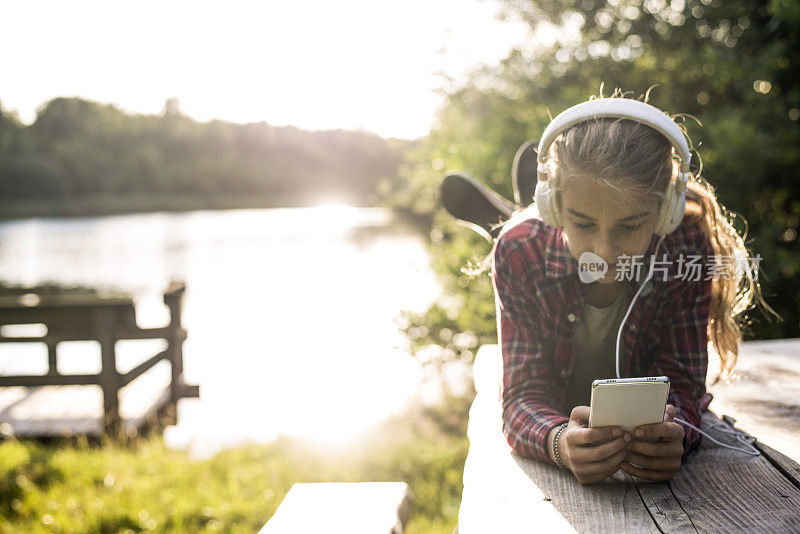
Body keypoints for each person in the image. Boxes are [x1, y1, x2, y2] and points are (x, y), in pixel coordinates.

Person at [489, 92, 774, 485]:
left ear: (665, 212)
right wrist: (557, 441)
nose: (605, 252)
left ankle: (532, 205)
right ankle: (518, 207)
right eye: (583, 222)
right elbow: (521, 395)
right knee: (516, 231)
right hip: (561, 386)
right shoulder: (520, 251)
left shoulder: (685, 248)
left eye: (629, 226)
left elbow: (683, 384)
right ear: (553, 205)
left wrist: (678, 435)